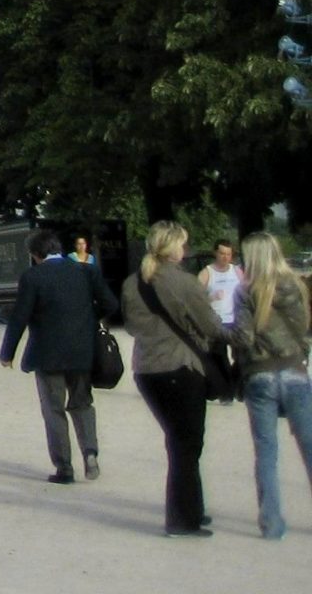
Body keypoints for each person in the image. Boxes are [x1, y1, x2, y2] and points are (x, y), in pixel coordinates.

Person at [123, 219, 233, 536]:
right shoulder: (184, 283)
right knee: (187, 445)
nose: (185, 250)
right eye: (182, 244)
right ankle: (182, 519)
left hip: (146, 370)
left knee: (179, 441)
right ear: (173, 249)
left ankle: (191, 507)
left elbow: (131, 326)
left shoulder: (133, 283)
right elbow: (212, 327)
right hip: (180, 368)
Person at [0, 226, 117, 484]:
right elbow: (110, 304)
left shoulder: (33, 277)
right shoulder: (86, 272)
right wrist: (86, 320)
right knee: (82, 403)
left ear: (35, 254)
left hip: (47, 353)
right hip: (82, 351)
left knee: (54, 410)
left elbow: (20, 317)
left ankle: (64, 467)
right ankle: (90, 453)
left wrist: (7, 353)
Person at [235, 231, 311, 539]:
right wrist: (300, 355)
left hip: (260, 373)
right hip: (293, 370)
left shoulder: (244, 291)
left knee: (266, 451)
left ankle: (272, 522)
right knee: (309, 446)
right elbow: (305, 329)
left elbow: (243, 338)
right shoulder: (296, 285)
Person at [204, 240, 246, 330]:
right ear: (215, 253)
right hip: (216, 322)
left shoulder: (237, 271)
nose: (225, 257)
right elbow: (196, 299)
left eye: (228, 254)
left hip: (236, 321)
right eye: (222, 254)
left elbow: (246, 294)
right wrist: (212, 297)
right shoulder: (206, 273)